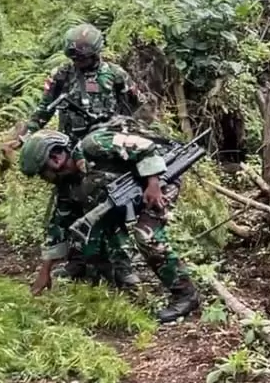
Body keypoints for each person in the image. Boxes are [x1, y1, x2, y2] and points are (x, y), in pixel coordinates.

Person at [17, 124, 200, 324]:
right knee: (94, 231)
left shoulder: (94, 145)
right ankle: (120, 278)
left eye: (43, 173)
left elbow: (147, 148)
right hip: (123, 198)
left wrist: (153, 184)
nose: (44, 179)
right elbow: (59, 225)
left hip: (159, 180)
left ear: (55, 159)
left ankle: (186, 294)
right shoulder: (67, 185)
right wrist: (45, 271)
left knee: (146, 235)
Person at [13, 24, 145, 287]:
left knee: (109, 206)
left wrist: (123, 133)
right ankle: (77, 262)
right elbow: (43, 109)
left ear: (96, 53)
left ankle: (122, 266)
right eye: (74, 57)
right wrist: (27, 136)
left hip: (103, 151)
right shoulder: (62, 74)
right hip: (68, 152)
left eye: (83, 57)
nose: (79, 62)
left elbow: (135, 105)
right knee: (69, 206)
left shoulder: (115, 75)